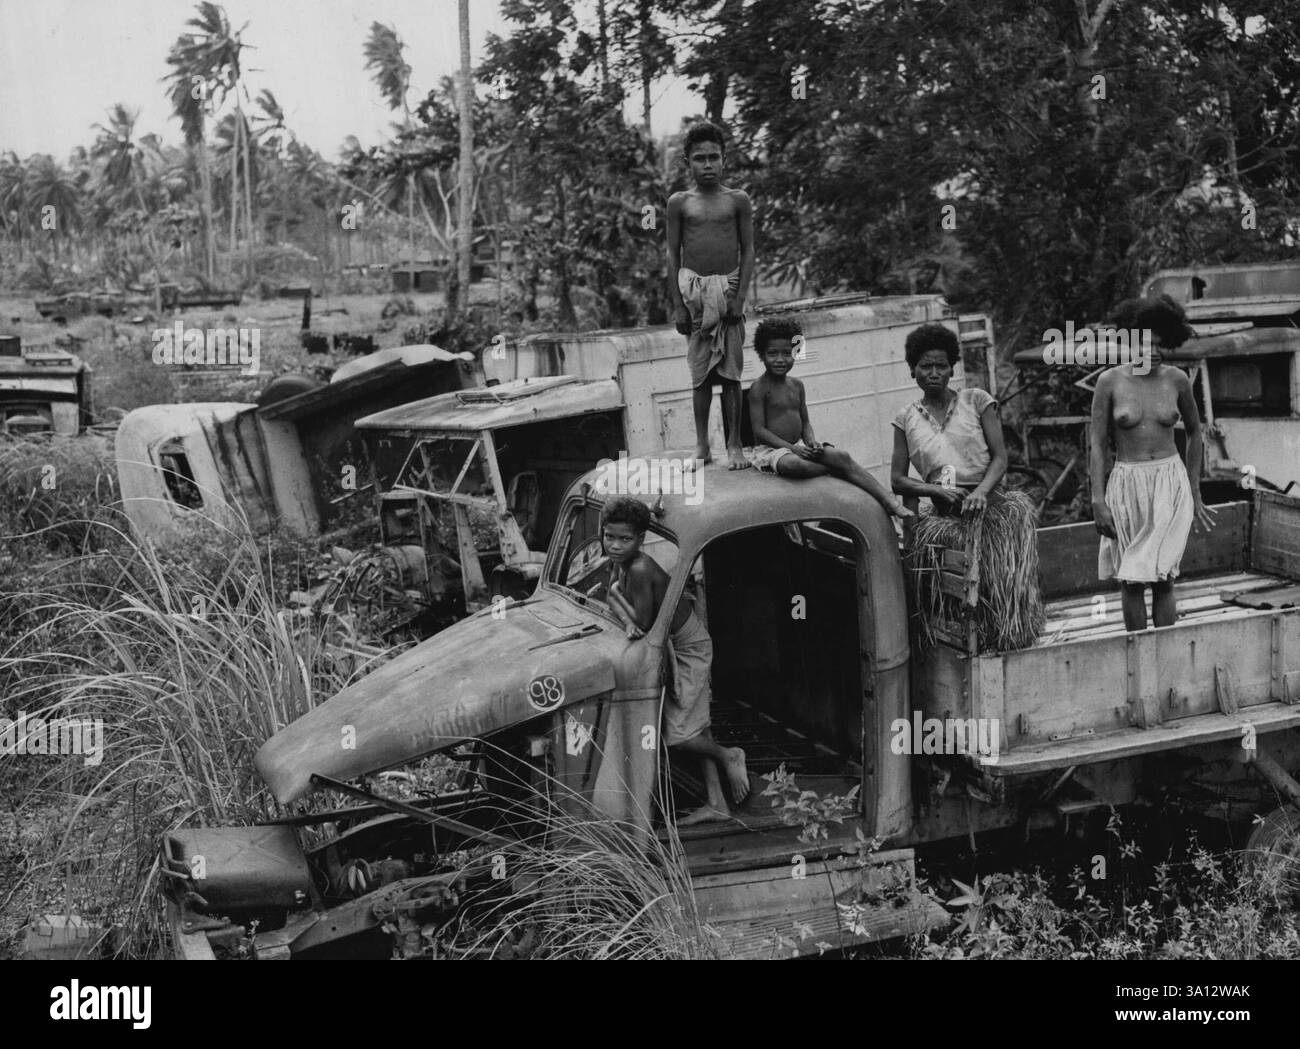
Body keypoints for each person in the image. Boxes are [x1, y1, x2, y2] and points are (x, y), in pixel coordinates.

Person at [891, 322, 1044, 651]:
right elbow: (898, 480)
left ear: (952, 369)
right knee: (962, 608)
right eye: (925, 366)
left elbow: (1000, 459)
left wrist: (979, 493)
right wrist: (935, 493)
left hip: (993, 516)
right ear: (912, 371)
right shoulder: (906, 418)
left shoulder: (977, 401)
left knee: (1001, 603)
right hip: (947, 523)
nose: (934, 373)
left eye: (941, 365)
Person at [598, 496, 749, 826]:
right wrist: (617, 602)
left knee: (679, 735)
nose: (614, 545)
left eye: (624, 539)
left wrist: (614, 599)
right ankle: (717, 803)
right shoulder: (622, 562)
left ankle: (729, 755)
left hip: (688, 649)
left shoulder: (638, 568)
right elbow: (632, 618)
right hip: (677, 643)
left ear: (640, 539)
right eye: (609, 536)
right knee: (695, 724)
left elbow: (643, 624)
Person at [1090, 294, 1217, 630]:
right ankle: (1139, 661)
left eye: (1161, 344)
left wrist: (1193, 490)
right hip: (1127, 484)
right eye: (1146, 343)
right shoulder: (1109, 382)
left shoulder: (1176, 379)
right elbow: (1097, 443)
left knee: (1163, 578)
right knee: (1130, 579)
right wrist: (1097, 499)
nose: (1153, 351)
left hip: (1169, 482)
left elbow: (1194, 431)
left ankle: (1165, 658)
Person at [745, 316, 912, 517]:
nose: (780, 359)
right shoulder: (759, 388)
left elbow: (805, 422)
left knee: (842, 456)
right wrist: (794, 449)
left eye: (786, 353)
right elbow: (760, 431)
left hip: (799, 447)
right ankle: (838, 471)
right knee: (796, 465)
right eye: (772, 354)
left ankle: (888, 499)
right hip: (772, 451)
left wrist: (811, 442)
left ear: (796, 353)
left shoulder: (797, 385)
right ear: (761, 355)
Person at [666, 121, 755, 471]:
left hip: (729, 289)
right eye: (699, 158)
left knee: (731, 373)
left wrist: (739, 298)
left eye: (713, 157)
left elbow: (748, 251)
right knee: (701, 374)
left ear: (723, 160)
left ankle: (734, 444)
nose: (707, 165)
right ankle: (702, 445)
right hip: (694, 293)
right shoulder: (679, 203)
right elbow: (673, 253)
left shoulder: (737, 200)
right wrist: (677, 305)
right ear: (688, 161)